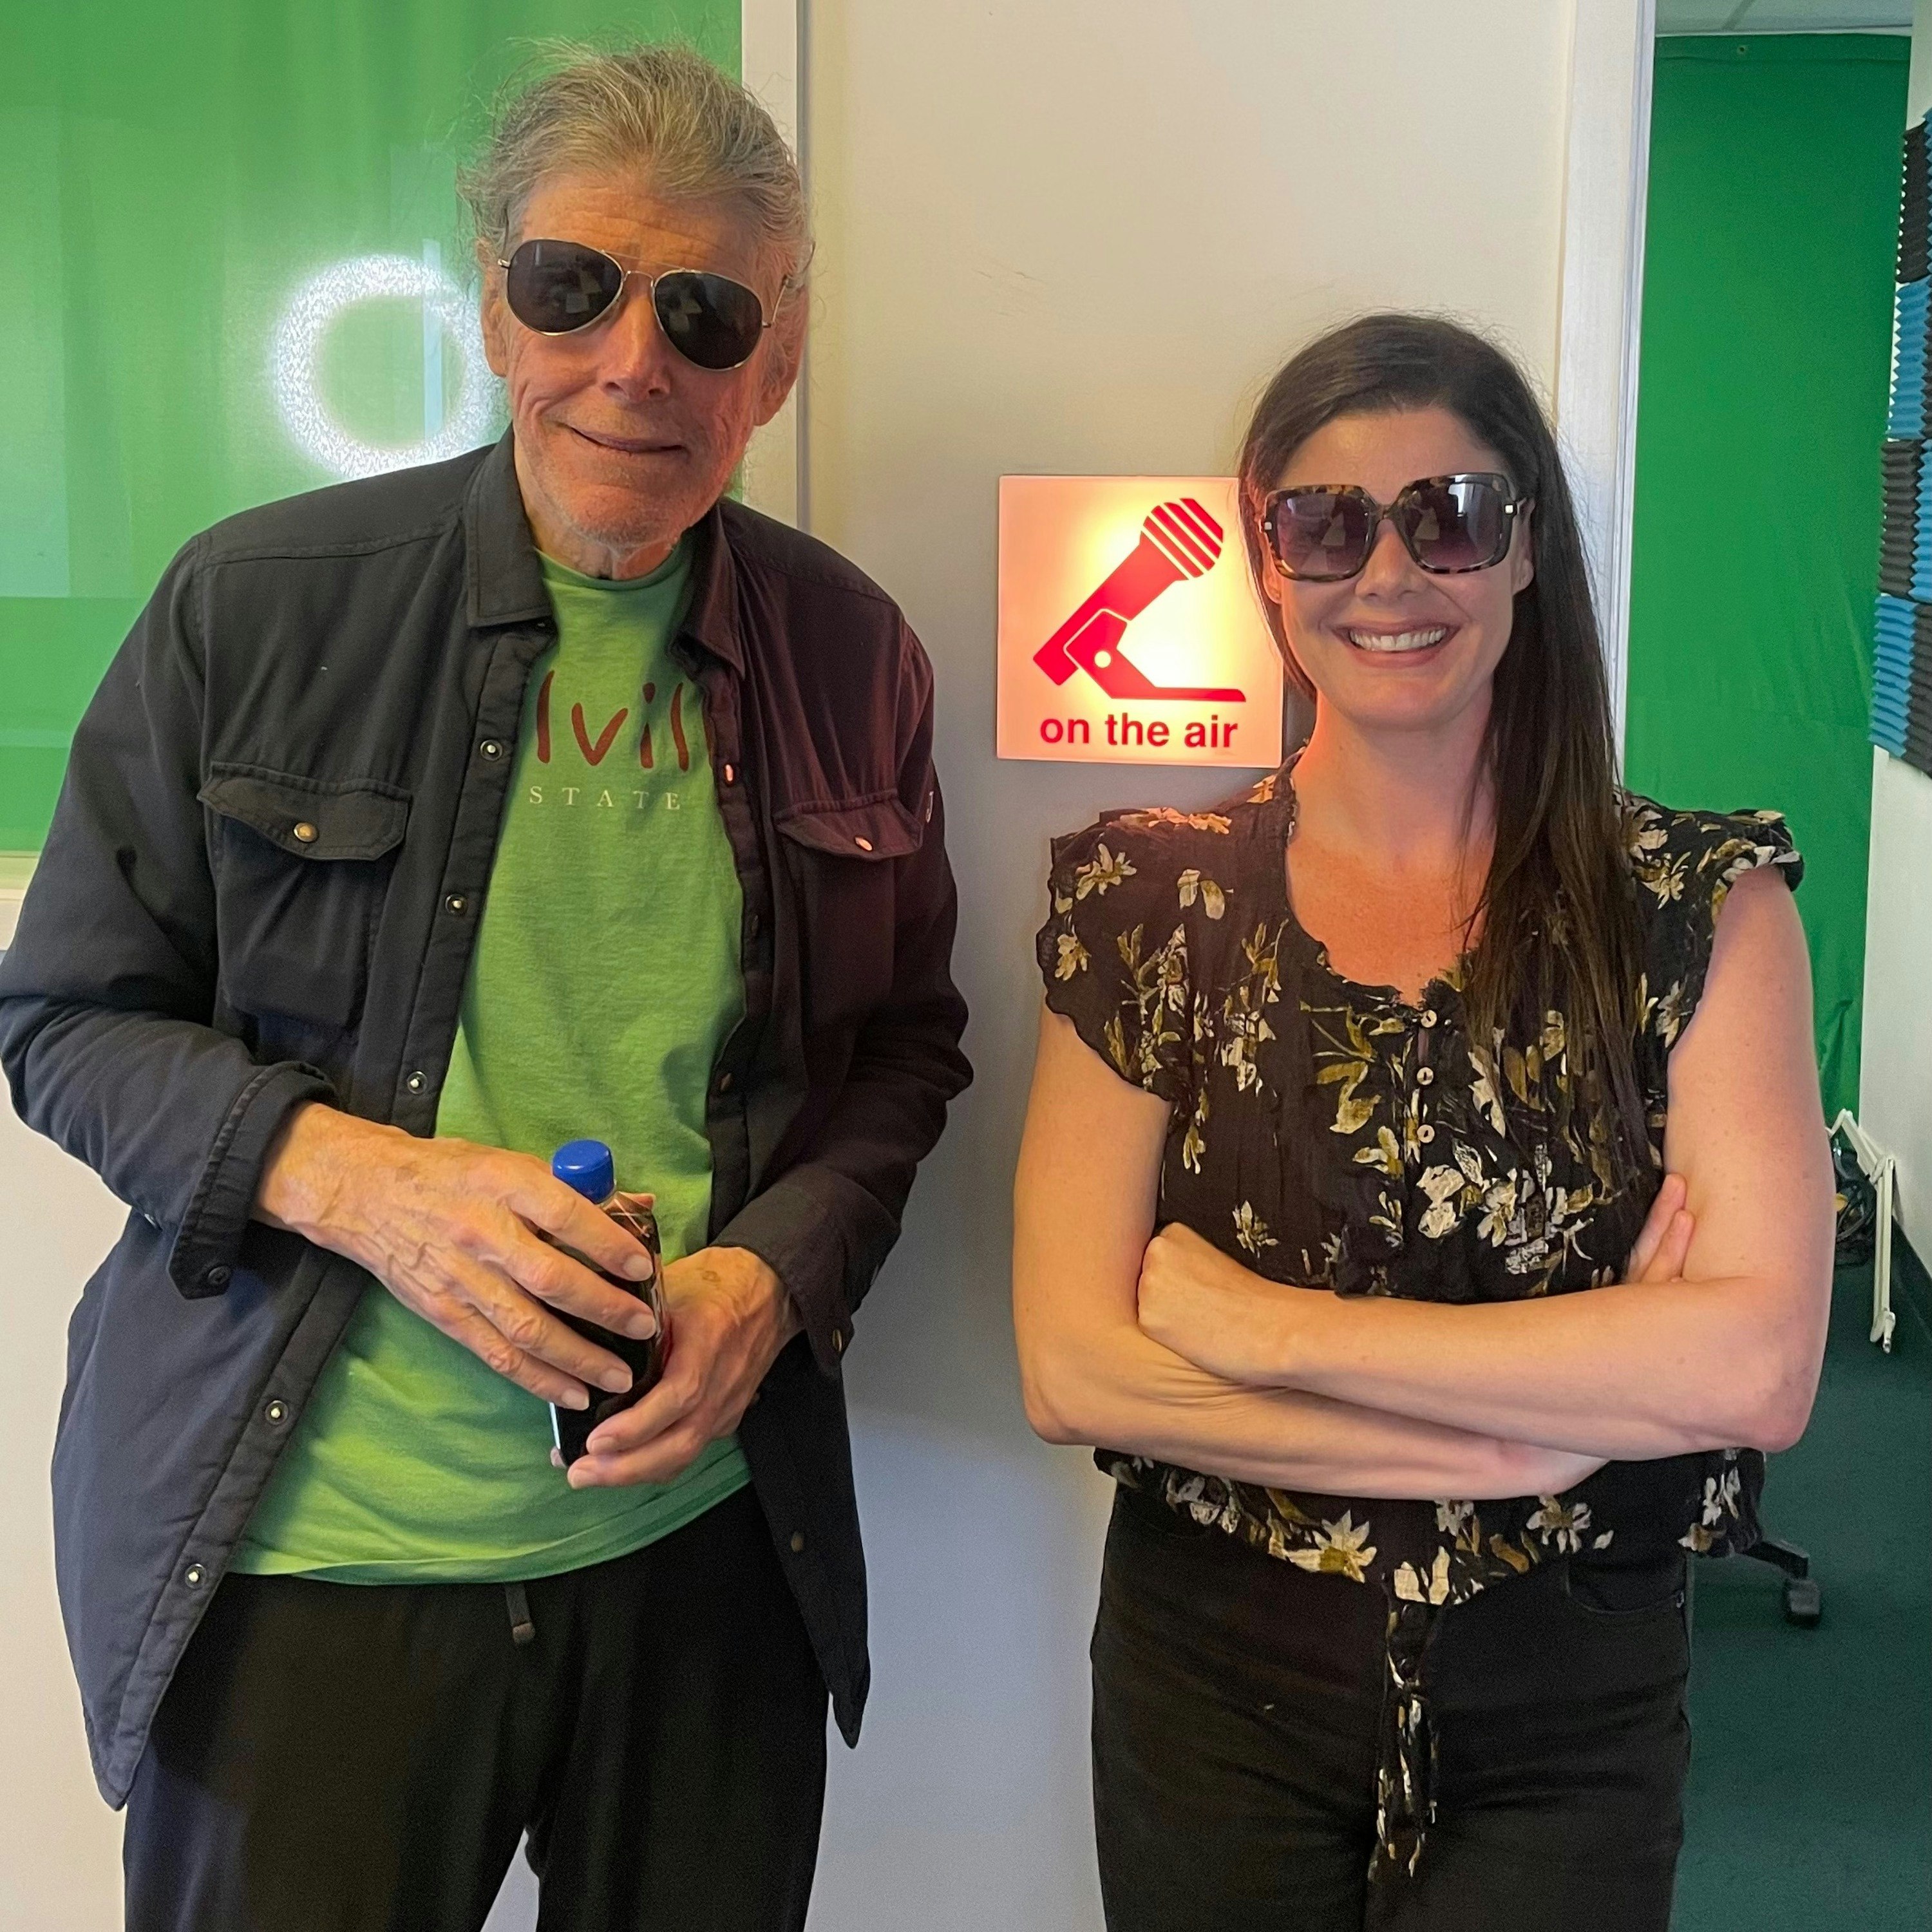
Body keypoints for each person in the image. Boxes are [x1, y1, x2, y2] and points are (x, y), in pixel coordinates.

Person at [0, 43, 969, 1932]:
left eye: (705, 314)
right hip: (313, 1569)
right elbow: (64, 1020)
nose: (634, 362)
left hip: (708, 1559)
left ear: (776, 361)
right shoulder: (254, 604)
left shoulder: (855, 654)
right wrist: (361, 1182)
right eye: (572, 286)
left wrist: (768, 1282)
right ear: (493, 308)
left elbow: (904, 1057)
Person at [1012, 314, 1833, 1931]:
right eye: (1327, 522)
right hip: (1213, 1687)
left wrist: (1270, 1333)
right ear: (1270, 562)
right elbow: (1076, 1368)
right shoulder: (1145, 900)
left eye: (1449, 516)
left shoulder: (1696, 908)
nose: (1389, 572)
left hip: (1570, 1694)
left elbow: (1756, 1370)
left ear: (1525, 548)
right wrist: (1551, 1431)